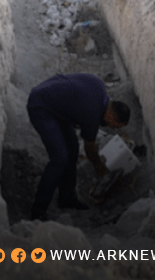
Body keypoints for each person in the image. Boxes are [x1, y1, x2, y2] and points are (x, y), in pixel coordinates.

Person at [27, 73, 130, 221]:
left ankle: (67, 198)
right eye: (113, 126)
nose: (111, 129)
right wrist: (100, 167)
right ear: (110, 117)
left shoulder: (100, 87)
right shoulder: (92, 114)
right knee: (60, 158)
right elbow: (89, 149)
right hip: (41, 106)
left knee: (73, 148)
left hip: (54, 101)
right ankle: (38, 211)